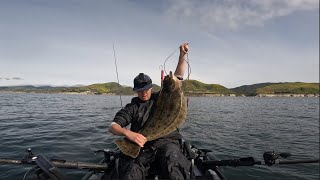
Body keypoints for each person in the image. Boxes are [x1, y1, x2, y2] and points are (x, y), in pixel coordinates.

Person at [108, 42, 190, 180]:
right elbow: (113, 127)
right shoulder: (132, 107)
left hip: (168, 142)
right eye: (140, 91)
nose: (144, 93)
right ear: (135, 91)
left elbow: (178, 77)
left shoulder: (162, 96)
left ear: (152, 88)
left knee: (174, 166)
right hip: (143, 145)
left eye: (146, 89)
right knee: (131, 172)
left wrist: (182, 55)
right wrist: (128, 133)